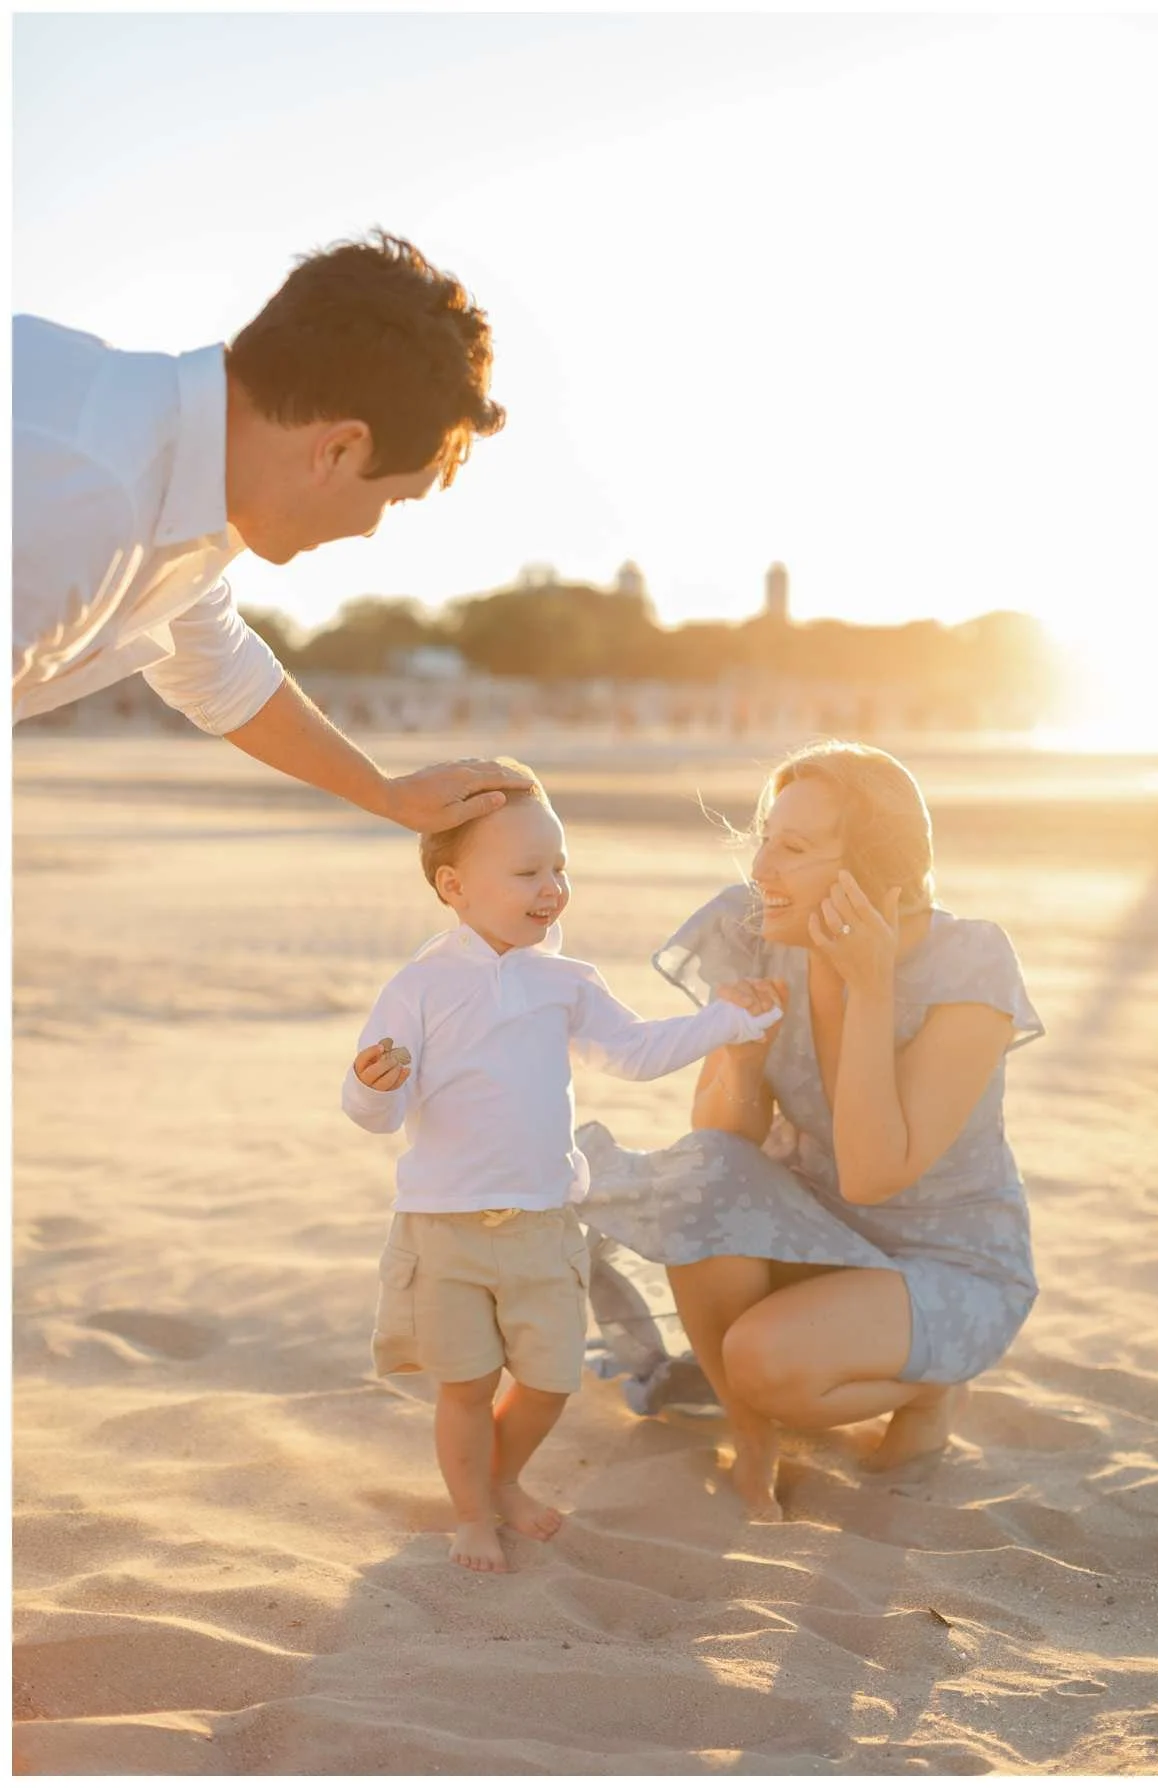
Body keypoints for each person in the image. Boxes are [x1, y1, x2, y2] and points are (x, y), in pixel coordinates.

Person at [577, 739, 1043, 1520]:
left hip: (947, 1262)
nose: (761, 868)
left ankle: (934, 1385)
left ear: (873, 871)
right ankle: (752, 1436)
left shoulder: (970, 965)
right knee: (697, 1179)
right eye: (764, 836)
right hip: (811, 1232)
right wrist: (743, 1061)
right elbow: (720, 1149)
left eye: (792, 848)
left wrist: (867, 984)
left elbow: (873, 1172)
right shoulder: (757, 931)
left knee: (763, 1358)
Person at [340, 763, 783, 1573]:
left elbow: (638, 1053)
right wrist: (372, 1087)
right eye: (526, 872)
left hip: (547, 1223)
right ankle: (473, 1513)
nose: (551, 888)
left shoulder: (566, 981)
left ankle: (504, 1478)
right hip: (445, 1227)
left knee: (548, 1382)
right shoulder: (421, 987)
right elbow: (376, 1113)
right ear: (454, 885)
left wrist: (727, 1019)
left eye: (560, 868)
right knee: (466, 1388)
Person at [12, 229, 527, 834]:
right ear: (339, 450)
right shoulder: (87, 492)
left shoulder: (164, 474)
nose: (370, 530)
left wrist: (389, 797)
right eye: (391, 498)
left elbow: (221, 672)